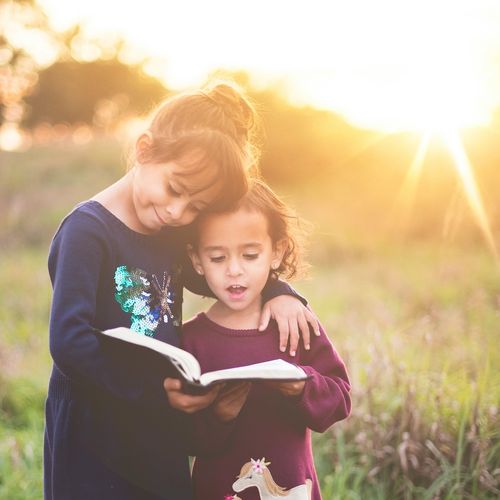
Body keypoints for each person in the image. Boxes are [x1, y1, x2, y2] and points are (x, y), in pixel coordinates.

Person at [44, 82, 320, 500]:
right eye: (175, 189)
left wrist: (280, 291)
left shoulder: (168, 230)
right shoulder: (87, 232)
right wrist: (157, 392)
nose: (178, 212)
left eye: (196, 208)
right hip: (93, 430)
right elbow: (69, 342)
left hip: (158, 427)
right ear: (144, 150)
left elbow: (219, 278)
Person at [181, 179, 351, 500]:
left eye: (249, 255)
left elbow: (340, 399)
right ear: (196, 260)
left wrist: (302, 386)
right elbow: (182, 437)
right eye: (217, 258)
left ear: (277, 252)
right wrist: (218, 416)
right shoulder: (191, 341)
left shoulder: (294, 323)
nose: (234, 270)